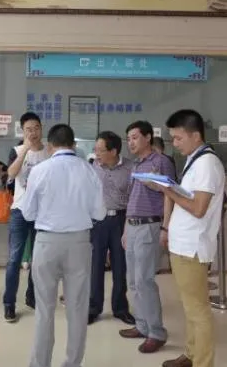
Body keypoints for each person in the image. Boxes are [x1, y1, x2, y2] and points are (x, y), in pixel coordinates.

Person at [20, 124, 106, 367]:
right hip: (79, 242)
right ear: (74, 145)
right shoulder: (89, 170)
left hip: (46, 242)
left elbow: (28, 213)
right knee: (77, 309)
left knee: (44, 310)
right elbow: (99, 213)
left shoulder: (40, 170)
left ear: (50, 146)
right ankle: (72, 363)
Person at [159, 110, 226, 367]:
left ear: (196, 136)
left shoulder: (207, 163)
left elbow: (198, 208)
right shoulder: (194, 159)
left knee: (198, 310)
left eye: (178, 138)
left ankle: (203, 362)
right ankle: (191, 354)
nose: (174, 143)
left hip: (192, 247)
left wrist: (168, 191)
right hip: (183, 244)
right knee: (189, 307)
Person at [119, 120, 175, 354]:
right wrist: (125, 229)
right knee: (133, 280)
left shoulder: (161, 162)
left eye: (135, 137)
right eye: (128, 139)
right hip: (132, 226)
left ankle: (156, 333)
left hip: (149, 225)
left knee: (144, 281)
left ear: (148, 137)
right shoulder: (136, 164)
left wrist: (165, 227)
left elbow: (170, 194)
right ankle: (142, 325)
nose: (130, 142)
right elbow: (132, 199)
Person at [3, 112, 49, 322]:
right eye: (29, 129)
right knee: (14, 259)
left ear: (41, 128)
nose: (33, 132)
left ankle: (32, 297)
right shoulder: (16, 151)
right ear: (22, 131)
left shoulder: (49, 152)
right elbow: (11, 174)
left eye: (36, 128)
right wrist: (25, 151)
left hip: (42, 213)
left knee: (38, 260)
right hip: (20, 211)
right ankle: (9, 304)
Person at [90, 131, 135, 325]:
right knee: (96, 265)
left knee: (120, 265)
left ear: (114, 151)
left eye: (101, 150)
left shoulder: (131, 168)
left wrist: (128, 226)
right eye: (96, 149)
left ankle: (120, 308)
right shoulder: (93, 166)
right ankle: (93, 307)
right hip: (98, 221)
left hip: (121, 220)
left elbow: (134, 198)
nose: (97, 153)